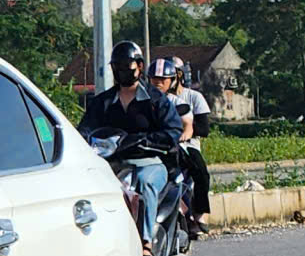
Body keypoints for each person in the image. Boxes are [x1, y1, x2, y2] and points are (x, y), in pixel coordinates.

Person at [79, 40, 191, 226]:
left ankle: (145, 242)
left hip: (149, 161)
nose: (121, 70)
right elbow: (84, 129)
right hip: (111, 163)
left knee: (145, 183)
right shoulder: (102, 102)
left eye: (126, 65)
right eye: (117, 66)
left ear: (139, 66)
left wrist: (144, 140)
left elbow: (173, 129)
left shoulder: (156, 100)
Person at [143, 57, 213, 235]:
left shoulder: (183, 100)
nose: (158, 83)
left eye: (163, 79)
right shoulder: (140, 100)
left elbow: (196, 126)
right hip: (150, 146)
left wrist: (181, 135)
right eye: (154, 79)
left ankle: (196, 214)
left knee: (199, 173)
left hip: (183, 145)